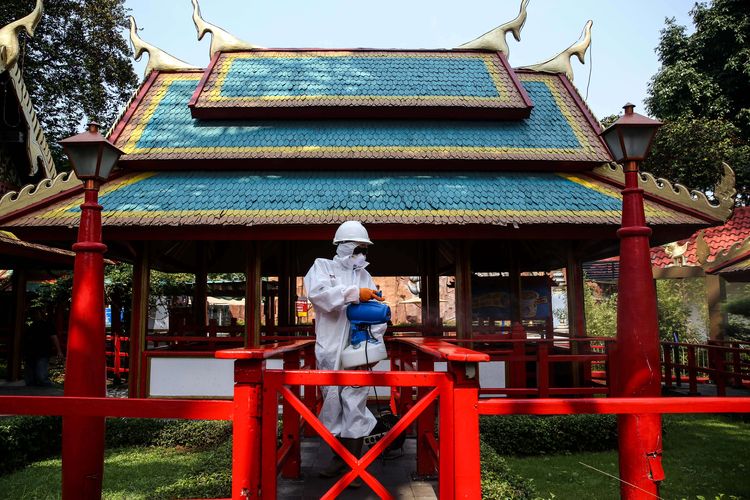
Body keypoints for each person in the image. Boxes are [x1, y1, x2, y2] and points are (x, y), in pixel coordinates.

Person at [303, 220, 386, 485]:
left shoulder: (365, 276)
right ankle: (340, 459)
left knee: (356, 400)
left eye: (364, 248)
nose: (361, 253)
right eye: (357, 247)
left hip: (357, 348)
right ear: (342, 246)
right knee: (332, 401)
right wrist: (353, 294)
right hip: (330, 347)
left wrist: (374, 342)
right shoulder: (321, 267)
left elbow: (377, 313)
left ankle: (351, 465)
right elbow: (320, 297)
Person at [22, 308, 63, 387]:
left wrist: (59, 351)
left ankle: (48, 391)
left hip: (42, 352)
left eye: (37, 313)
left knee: (41, 376)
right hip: (30, 353)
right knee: (30, 379)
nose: (35, 315)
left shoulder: (48, 324)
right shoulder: (30, 325)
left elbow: (54, 337)